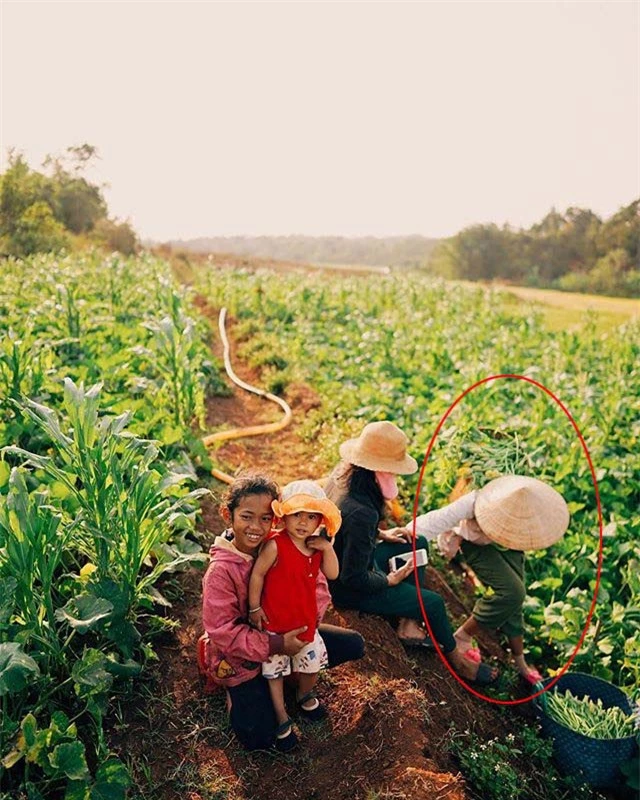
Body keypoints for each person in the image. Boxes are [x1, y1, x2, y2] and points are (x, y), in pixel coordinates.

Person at [324, 421, 498, 686]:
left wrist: (381, 534)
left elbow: (344, 530)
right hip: (347, 589)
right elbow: (353, 577)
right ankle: (459, 663)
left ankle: (407, 623)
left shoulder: (345, 478)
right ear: (380, 470)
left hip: (353, 559)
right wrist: (387, 581)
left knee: (415, 544)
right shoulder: (362, 511)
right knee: (434, 604)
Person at [200, 472, 364, 752]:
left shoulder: (292, 545)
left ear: (275, 518)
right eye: (246, 517)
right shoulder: (221, 571)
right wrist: (276, 643)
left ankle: (293, 680)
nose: (256, 526)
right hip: (243, 652)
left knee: (353, 644)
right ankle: (239, 689)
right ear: (228, 515)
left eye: (265, 518)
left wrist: (302, 629)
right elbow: (223, 632)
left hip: (288, 628)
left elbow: (319, 587)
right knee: (258, 737)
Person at [390, 474, 570, 684]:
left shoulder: (523, 526)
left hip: (507, 544)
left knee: (515, 594)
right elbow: (433, 522)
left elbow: (515, 601)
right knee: (513, 592)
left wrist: (519, 659)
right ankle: (462, 636)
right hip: (476, 541)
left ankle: (519, 659)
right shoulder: (478, 501)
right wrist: (400, 538)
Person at [248, 480, 341, 750]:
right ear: (284, 516)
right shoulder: (276, 545)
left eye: (311, 517)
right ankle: (281, 714)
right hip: (274, 625)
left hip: (303, 624)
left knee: (310, 665)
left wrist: (327, 548)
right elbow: (258, 575)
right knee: (274, 672)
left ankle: (304, 694)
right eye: (296, 514)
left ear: (320, 522)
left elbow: (333, 574)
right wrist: (255, 608)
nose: (303, 522)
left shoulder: (315, 548)